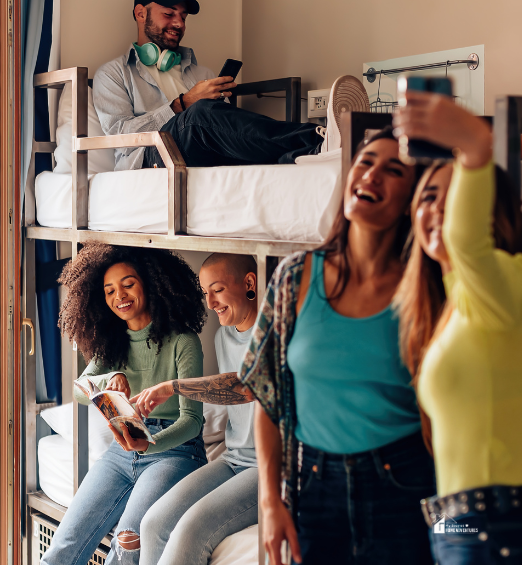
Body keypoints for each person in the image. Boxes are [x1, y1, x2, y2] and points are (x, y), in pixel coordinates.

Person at [239, 128, 435, 565]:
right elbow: (266, 397)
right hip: (314, 486)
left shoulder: (427, 287)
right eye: (365, 163)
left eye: (393, 170)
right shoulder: (293, 277)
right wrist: (270, 501)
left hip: (406, 484)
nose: (371, 175)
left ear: (412, 196)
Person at [393, 93, 522, 564]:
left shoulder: (508, 282)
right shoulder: (453, 305)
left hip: (497, 520)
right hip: (462, 519)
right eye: (428, 196)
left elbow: (466, 241)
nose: (440, 209)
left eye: (460, 194)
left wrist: (474, 145)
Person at [41, 242, 208, 565]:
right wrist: (110, 378)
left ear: (150, 283)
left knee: (129, 541)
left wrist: (148, 445)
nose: (119, 295)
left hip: (175, 451)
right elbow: (79, 391)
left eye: (128, 284)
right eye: (109, 290)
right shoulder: (111, 343)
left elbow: (192, 421)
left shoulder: (183, 341)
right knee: (64, 545)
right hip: (122, 451)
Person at [92, 0, 369, 171]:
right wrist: (183, 104)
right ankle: (319, 139)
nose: (179, 23)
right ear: (141, 14)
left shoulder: (201, 73)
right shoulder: (114, 74)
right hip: (151, 157)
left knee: (228, 129)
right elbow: (120, 134)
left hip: (201, 149)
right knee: (198, 115)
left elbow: (228, 132)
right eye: (169, 14)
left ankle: (312, 153)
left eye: (183, 17)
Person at [130, 254, 259, 565]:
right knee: (153, 524)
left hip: (270, 469)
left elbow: (244, 386)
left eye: (216, 289)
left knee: (189, 531)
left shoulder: (275, 332)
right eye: (205, 293)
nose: (210, 302)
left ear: (249, 283)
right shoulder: (222, 336)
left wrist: (174, 386)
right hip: (234, 457)